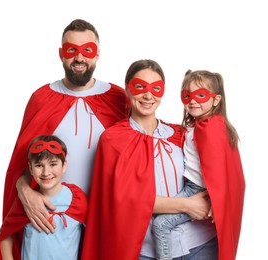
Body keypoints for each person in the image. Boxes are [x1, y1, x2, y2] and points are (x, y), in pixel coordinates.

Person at [0, 19, 128, 259]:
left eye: (88, 50)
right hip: (52, 218)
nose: (80, 58)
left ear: (98, 54)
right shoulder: (42, 99)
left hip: (105, 217)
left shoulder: (117, 98)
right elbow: (21, 164)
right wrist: (24, 190)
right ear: (61, 54)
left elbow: (137, 153)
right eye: (72, 50)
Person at [81, 59, 219, 260]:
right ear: (127, 90)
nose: (148, 95)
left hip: (200, 243)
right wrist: (188, 205)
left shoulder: (180, 134)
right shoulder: (113, 140)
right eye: (140, 87)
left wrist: (215, 198)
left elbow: (212, 170)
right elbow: (125, 200)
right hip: (147, 250)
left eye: (156, 88)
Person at [152, 69, 245, 260]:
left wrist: (214, 198)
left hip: (197, 190)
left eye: (200, 95)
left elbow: (218, 169)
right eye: (187, 96)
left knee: (160, 224)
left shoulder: (210, 128)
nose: (192, 101)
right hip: (192, 187)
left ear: (216, 99)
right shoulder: (198, 125)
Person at [0, 135, 88, 260]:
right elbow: (5, 235)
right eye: (39, 165)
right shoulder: (27, 202)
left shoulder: (77, 199)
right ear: (30, 168)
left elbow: (96, 233)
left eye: (53, 164)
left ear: (64, 165)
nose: (46, 172)